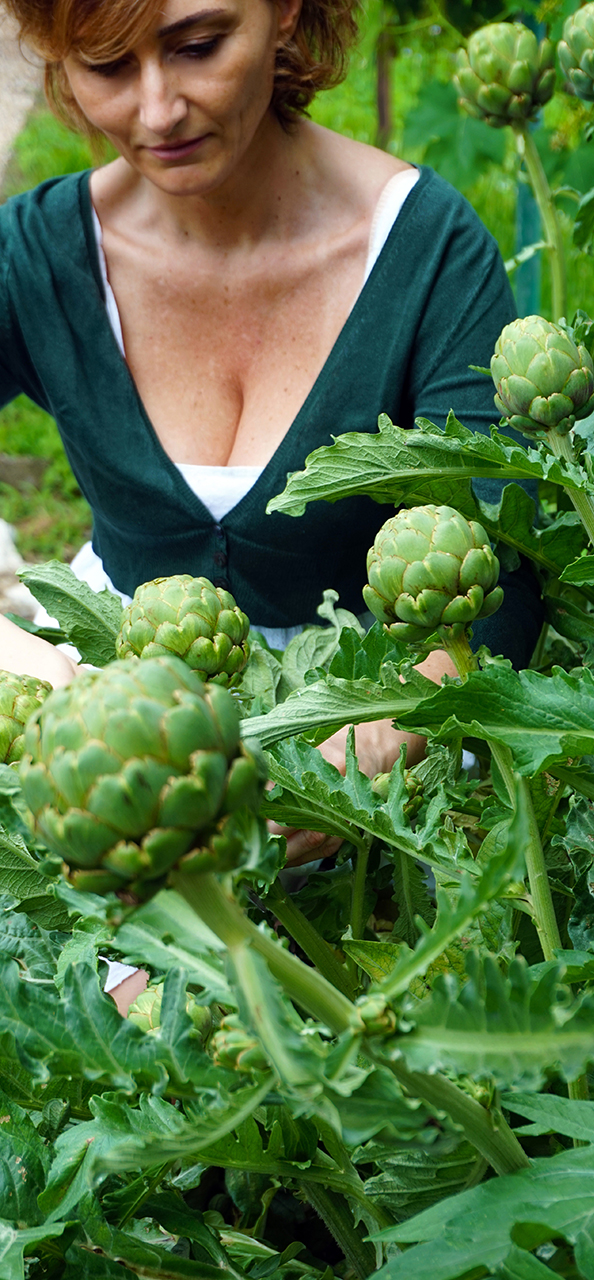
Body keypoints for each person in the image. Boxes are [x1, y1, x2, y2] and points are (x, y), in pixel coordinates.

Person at [0, 0, 542, 868]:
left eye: (198, 47)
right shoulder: (39, 256)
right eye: (105, 65)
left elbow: (503, 581)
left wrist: (353, 766)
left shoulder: (427, 254)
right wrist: (16, 651)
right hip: (108, 759)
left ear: (286, 12)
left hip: (372, 751)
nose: (156, 111)